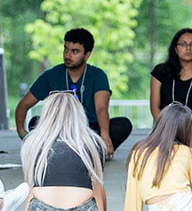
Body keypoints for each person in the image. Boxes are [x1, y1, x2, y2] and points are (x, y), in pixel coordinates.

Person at [15, 28, 131, 157]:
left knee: (123, 125)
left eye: (75, 51)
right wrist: (22, 133)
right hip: (60, 129)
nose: (67, 55)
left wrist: (105, 136)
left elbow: (101, 109)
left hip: (90, 130)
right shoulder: (51, 75)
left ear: (87, 55)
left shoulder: (98, 75)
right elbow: (23, 105)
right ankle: (85, 153)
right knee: (35, 122)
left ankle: (86, 151)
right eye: (66, 49)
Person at [20, 91, 108, 211]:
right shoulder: (92, 144)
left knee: (35, 185)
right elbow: (97, 188)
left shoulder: (33, 144)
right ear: (78, 115)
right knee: (96, 182)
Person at [149, 28, 192, 158]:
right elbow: (154, 109)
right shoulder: (160, 72)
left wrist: (181, 132)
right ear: (175, 49)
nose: (188, 48)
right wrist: (168, 129)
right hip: (164, 125)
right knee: (157, 152)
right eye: (183, 44)